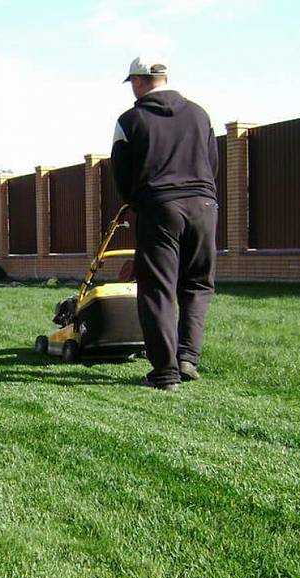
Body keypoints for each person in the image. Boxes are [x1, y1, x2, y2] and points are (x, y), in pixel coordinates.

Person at [111, 57, 219, 391]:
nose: (133, 90)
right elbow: (212, 161)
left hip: (159, 208)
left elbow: (122, 173)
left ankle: (165, 372)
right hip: (203, 205)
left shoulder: (130, 120)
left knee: (157, 289)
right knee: (197, 284)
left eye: (133, 84)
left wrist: (136, 204)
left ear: (140, 81)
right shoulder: (200, 114)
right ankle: (188, 357)